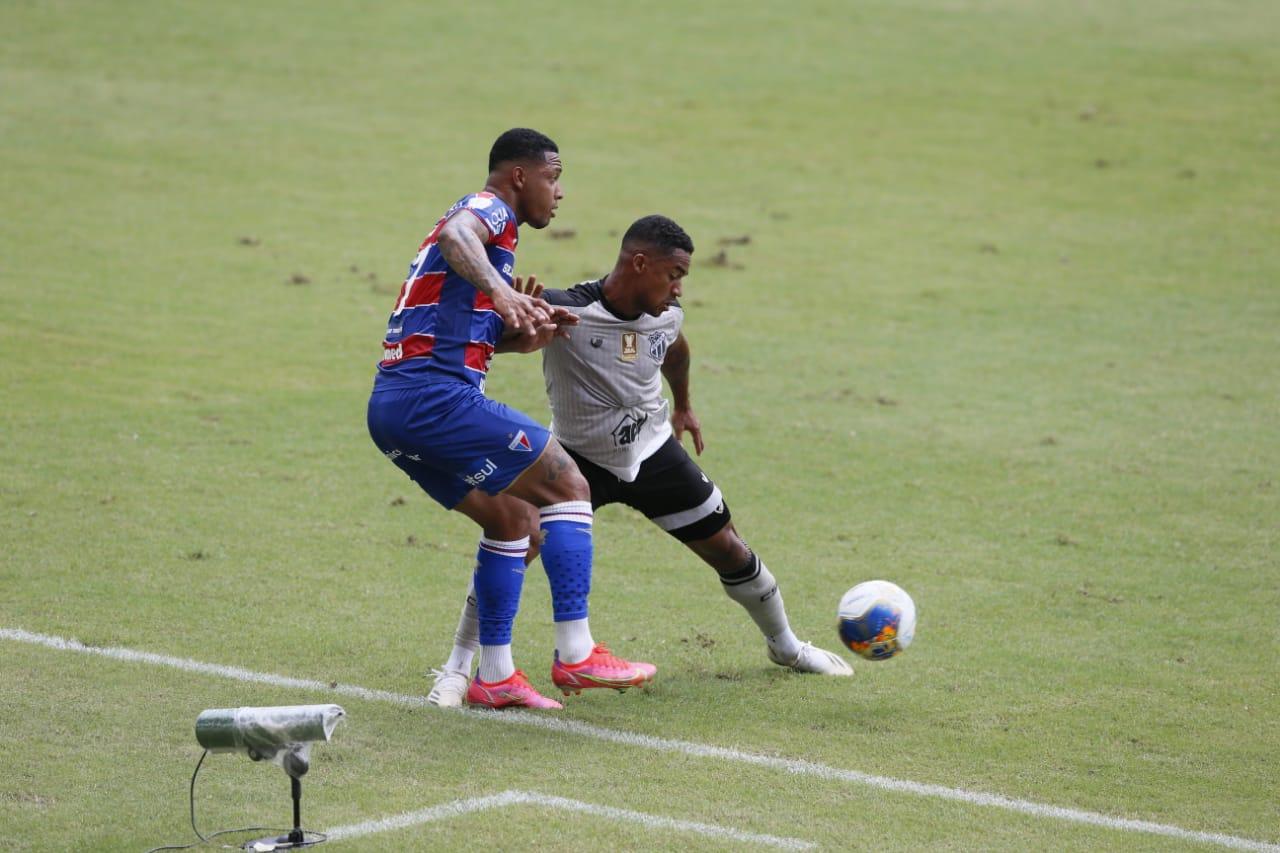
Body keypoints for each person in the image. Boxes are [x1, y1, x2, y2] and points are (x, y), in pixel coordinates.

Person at [427, 214, 852, 708]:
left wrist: (685, 405)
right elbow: (488, 343)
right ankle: (459, 667)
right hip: (576, 461)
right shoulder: (567, 309)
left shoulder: (667, 317)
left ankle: (787, 646)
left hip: (651, 453)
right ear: (640, 262)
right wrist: (512, 319)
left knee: (730, 550)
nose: (678, 289)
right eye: (674, 274)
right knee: (514, 540)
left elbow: (674, 351)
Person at [367, 129, 655, 711]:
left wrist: (524, 333)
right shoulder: (489, 212)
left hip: (394, 410)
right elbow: (456, 234)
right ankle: (577, 651)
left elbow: (456, 331)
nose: (560, 192)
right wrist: (502, 293)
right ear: (520, 176)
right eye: (554, 177)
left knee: (515, 521)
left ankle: (493, 675)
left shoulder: (494, 245)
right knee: (568, 483)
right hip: (434, 399)